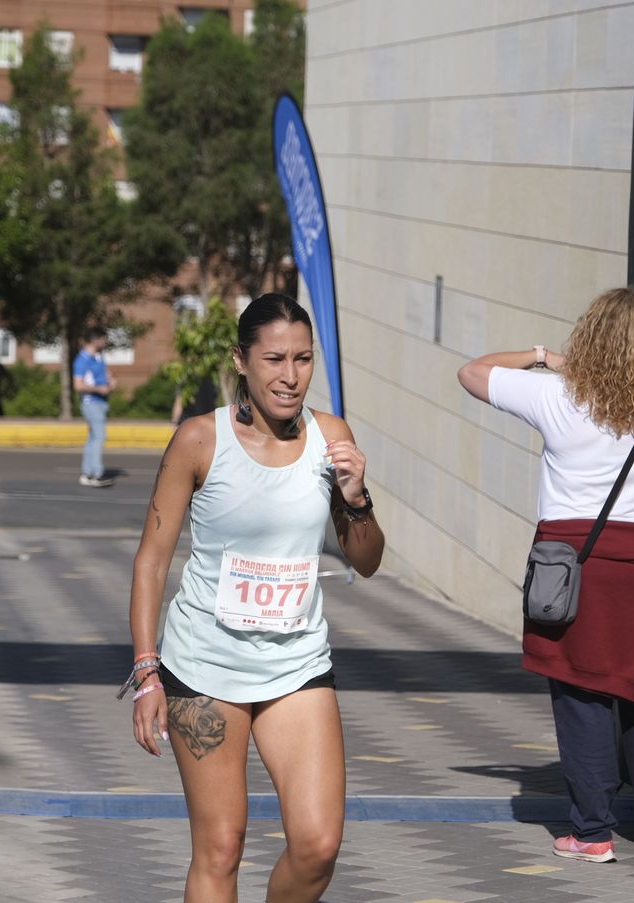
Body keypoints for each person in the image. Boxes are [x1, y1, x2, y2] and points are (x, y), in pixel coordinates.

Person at [126, 293, 385, 902]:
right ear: (242, 360)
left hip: (296, 666)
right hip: (204, 669)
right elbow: (151, 561)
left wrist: (355, 496)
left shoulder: (331, 438)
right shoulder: (198, 440)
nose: (290, 376)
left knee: (318, 846)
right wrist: (146, 672)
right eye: (274, 359)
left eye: (302, 359)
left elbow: (368, 562)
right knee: (220, 848)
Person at [456, 286, 634, 864]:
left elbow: (473, 372)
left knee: (582, 694)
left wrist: (544, 356)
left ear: (589, 338)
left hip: (578, 569)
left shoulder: (559, 395)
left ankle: (591, 834)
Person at [73, 328, 116, 487]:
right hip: (91, 401)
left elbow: (106, 373)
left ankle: (88, 473)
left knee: (93, 438)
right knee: (99, 436)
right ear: (96, 340)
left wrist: (111, 381)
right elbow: (78, 385)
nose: (105, 342)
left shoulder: (98, 357)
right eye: (104, 339)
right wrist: (100, 389)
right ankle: (96, 473)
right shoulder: (82, 360)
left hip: (101, 402)